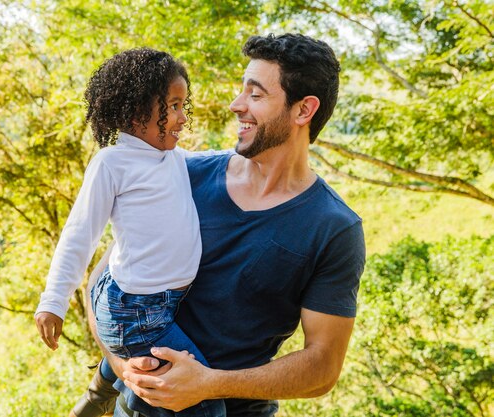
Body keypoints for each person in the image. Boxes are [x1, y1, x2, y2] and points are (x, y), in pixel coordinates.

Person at [89, 33, 366, 417]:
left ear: (303, 110)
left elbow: (322, 367)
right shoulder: (181, 175)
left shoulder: (334, 227)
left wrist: (212, 383)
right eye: (242, 92)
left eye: (255, 94)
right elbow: (102, 281)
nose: (237, 105)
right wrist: (123, 367)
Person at [34, 48, 226, 417]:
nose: (183, 117)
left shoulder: (170, 156)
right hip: (133, 311)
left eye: (184, 105)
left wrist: (249, 156)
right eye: (173, 106)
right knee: (204, 404)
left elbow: (211, 159)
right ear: (138, 110)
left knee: (139, 359)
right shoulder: (112, 163)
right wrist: (54, 301)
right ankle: (120, 398)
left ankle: (100, 389)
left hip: (157, 301)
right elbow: (79, 234)